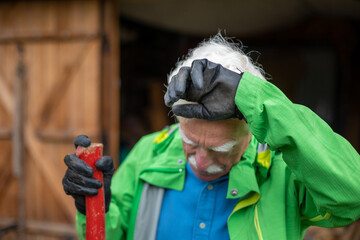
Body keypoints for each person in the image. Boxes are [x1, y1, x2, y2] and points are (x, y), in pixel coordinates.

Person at [62, 33, 360, 240]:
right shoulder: (147, 153)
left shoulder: (284, 172)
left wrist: (253, 98)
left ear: (252, 129)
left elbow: (352, 196)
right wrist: (93, 208)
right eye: (190, 143)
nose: (202, 162)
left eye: (222, 148)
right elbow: (110, 236)